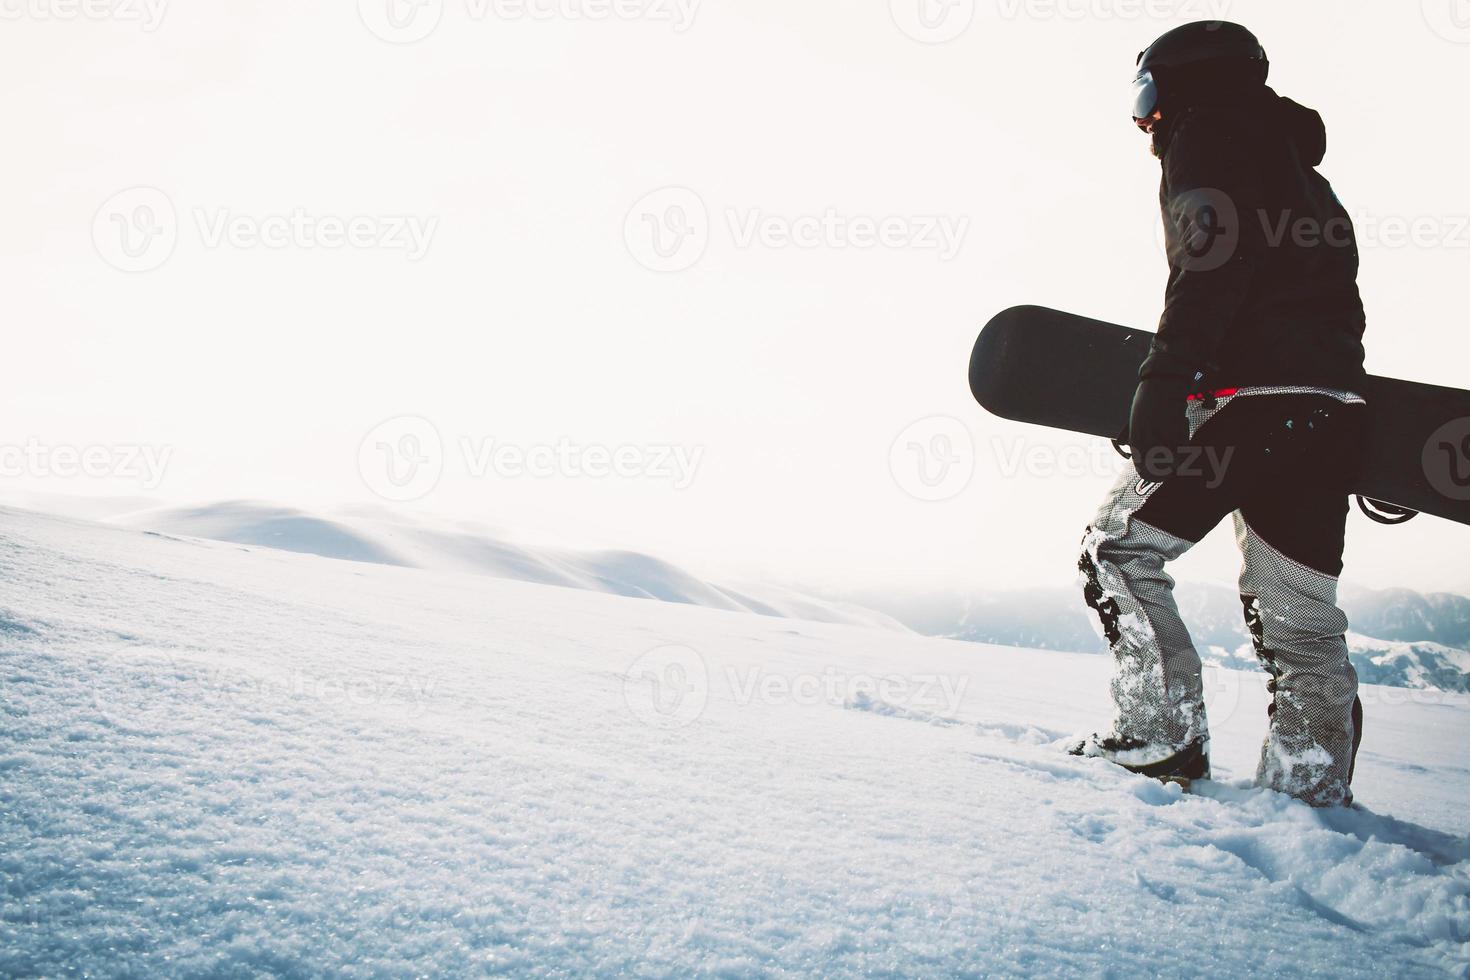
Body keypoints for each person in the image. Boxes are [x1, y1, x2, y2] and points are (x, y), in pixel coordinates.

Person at [1069, 21, 1369, 807]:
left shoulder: (1208, 139)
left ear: (1188, 85)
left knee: (1116, 553)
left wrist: (1166, 382)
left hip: (1241, 407)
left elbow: (1212, 265)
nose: (1145, 122)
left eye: (1148, 96)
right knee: (1298, 616)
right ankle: (1309, 791)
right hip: (1323, 412)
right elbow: (1331, 308)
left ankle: (1162, 735)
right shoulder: (1307, 176)